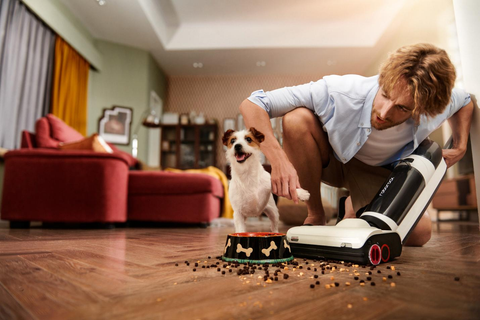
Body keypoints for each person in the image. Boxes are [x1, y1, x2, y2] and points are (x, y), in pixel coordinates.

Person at [239, 43, 474, 246]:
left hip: (377, 169)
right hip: (329, 158)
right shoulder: (337, 91)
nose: (384, 112)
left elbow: (464, 101)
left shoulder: (434, 107)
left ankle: (352, 206)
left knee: (420, 234)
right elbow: (253, 104)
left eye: (402, 108)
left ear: (424, 110)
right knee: (295, 119)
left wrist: (461, 144)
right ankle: (316, 214)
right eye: (385, 95)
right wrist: (278, 161)